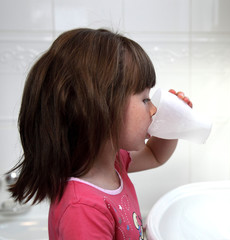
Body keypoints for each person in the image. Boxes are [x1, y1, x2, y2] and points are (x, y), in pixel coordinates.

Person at [7, 28, 192, 239]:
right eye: (144, 99)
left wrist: (172, 123)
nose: (153, 110)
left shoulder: (112, 161)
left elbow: (155, 155)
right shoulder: (83, 209)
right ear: (100, 107)